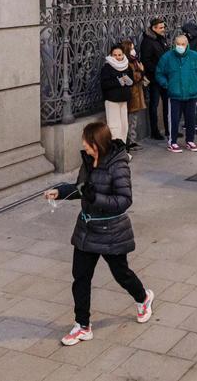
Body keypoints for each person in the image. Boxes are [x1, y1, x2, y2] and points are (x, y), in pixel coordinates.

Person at [45, 121, 153, 346]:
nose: (83, 145)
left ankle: (143, 298)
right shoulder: (88, 161)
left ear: (97, 144)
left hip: (111, 231)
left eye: (86, 142)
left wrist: (96, 198)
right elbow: (82, 188)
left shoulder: (118, 165)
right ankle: (82, 325)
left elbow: (124, 200)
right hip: (86, 229)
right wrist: (61, 191)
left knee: (121, 273)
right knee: (80, 277)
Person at [155, 33, 197, 153]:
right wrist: (166, 84)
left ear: (187, 44)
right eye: (178, 44)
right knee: (173, 119)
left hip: (191, 94)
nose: (180, 46)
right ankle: (172, 142)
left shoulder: (195, 56)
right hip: (175, 94)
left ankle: (190, 140)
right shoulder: (167, 57)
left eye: (183, 44)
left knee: (191, 118)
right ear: (174, 44)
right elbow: (159, 73)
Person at [138, 18, 169, 141]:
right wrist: (159, 71)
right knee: (154, 105)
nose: (163, 29)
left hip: (165, 78)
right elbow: (146, 62)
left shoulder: (162, 39)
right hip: (155, 79)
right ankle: (154, 131)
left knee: (168, 104)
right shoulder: (147, 42)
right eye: (161, 27)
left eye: (163, 27)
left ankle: (169, 129)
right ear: (154, 28)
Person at [99, 44, 134, 148]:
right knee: (114, 127)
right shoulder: (107, 67)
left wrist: (128, 81)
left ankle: (122, 149)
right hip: (112, 100)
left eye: (120, 54)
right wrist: (118, 81)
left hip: (124, 99)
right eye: (115, 55)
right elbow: (104, 84)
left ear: (123, 54)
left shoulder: (127, 65)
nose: (118, 57)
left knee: (124, 126)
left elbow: (132, 81)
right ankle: (115, 150)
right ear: (111, 55)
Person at [119, 38, 147, 151]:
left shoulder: (134, 61)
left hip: (137, 94)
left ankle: (132, 141)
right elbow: (134, 78)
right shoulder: (128, 64)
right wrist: (141, 70)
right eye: (131, 48)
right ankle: (130, 142)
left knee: (133, 120)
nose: (134, 50)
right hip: (133, 95)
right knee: (131, 120)